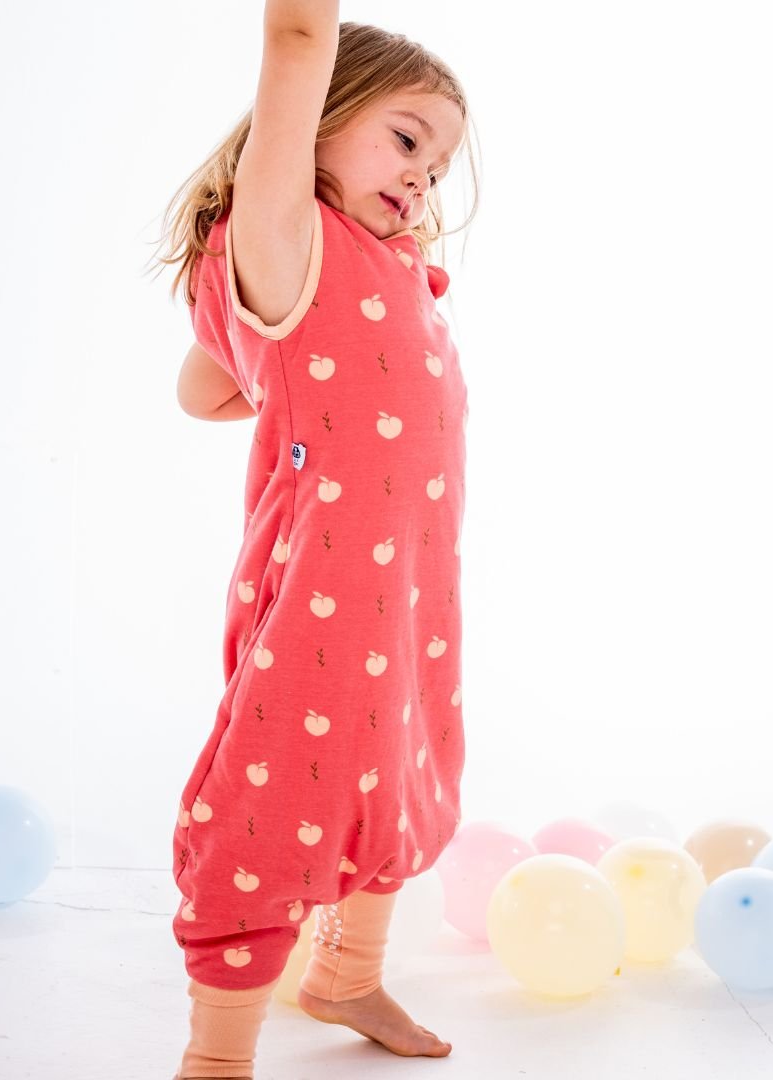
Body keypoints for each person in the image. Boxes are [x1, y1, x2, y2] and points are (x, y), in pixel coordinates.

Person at [149, 3, 480, 1076]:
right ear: (321, 117)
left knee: (397, 763)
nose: (422, 177)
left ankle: (346, 973)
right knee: (282, 789)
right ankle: (218, 1056)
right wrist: (274, 312)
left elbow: (204, 389)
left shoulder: (364, 264)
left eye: (438, 165)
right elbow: (295, 40)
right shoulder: (285, 235)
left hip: (411, 592)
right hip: (324, 599)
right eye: (406, 138)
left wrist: (276, 361)